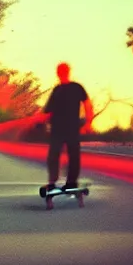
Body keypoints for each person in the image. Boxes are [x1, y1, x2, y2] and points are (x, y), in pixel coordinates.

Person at [43, 63, 93, 191]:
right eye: (60, 71)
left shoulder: (77, 87)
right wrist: (43, 123)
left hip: (72, 128)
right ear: (58, 73)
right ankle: (52, 182)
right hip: (57, 129)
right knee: (53, 155)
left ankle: (71, 182)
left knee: (74, 155)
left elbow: (87, 104)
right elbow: (48, 111)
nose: (62, 73)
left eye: (64, 70)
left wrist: (88, 123)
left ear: (68, 72)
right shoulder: (56, 90)